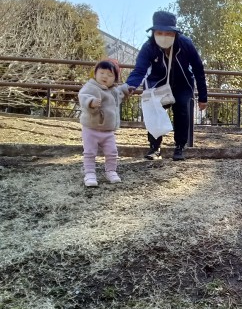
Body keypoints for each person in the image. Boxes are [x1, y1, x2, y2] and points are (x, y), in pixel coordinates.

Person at [127, 10, 208, 161]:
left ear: (175, 33)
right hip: (157, 84)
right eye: (159, 32)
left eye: (169, 33)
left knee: (182, 110)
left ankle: (180, 146)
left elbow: (198, 68)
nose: (164, 36)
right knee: (154, 110)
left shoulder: (185, 44)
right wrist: (130, 86)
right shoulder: (148, 47)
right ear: (153, 33)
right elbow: (139, 70)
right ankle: (154, 147)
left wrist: (203, 97)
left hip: (182, 84)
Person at [78, 59, 129, 187]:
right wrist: (91, 102)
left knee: (112, 152)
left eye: (110, 75)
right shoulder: (91, 86)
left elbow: (120, 94)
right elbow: (83, 96)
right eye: (101, 73)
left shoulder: (114, 91)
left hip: (108, 130)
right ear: (95, 74)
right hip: (91, 128)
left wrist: (127, 89)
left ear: (115, 79)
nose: (105, 76)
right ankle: (89, 173)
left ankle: (111, 171)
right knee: (89, 152)